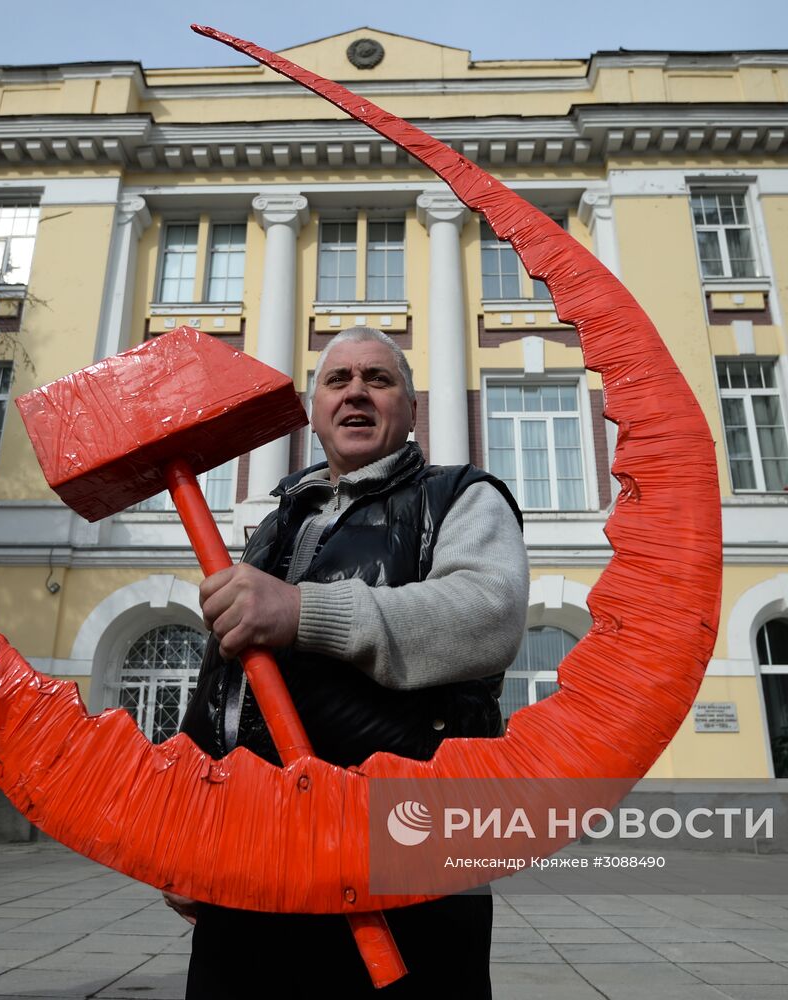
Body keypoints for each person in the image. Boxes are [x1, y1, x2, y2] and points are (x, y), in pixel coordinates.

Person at [166, 326, 528, 998]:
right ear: (315, 410)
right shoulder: (275, 527)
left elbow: (487, 615)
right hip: (248, 859)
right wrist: (184, 832)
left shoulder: (457, 497)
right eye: (337, 380)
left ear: (410, 408)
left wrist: (302, 612)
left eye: (378, 378)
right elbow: (222, 689)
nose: (355, 392)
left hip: (401, 863)